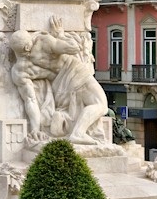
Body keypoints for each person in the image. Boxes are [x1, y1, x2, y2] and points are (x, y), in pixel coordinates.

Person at [9, 16, 108, 145]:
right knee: (101, 104)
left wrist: (35, 129)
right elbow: (74, 48)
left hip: (59, 89)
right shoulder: (43, 42)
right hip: (74, 72)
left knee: (82, 107)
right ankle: (78, 133)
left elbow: (31, 100)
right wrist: (60, 34)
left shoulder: (19, 70)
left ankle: (63, 118)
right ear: (28, 46)